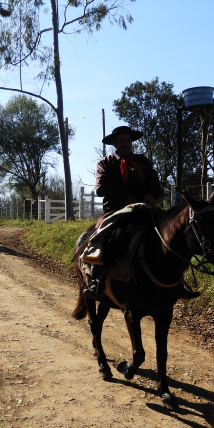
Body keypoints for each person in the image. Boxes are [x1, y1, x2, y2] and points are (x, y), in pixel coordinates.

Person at [81, 125, 163, 298]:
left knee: (170, 231)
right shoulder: (105, 163)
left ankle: (174, 280)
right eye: (121, 140)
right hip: (116, 210)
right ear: (115, 143)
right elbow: (102, 187)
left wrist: (151, 194)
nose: (125, 143)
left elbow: (154, 183)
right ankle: (96, 279)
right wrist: (127, 200)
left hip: (144, 209)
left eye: (128, 140)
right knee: (105, 236)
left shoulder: (143, 161)